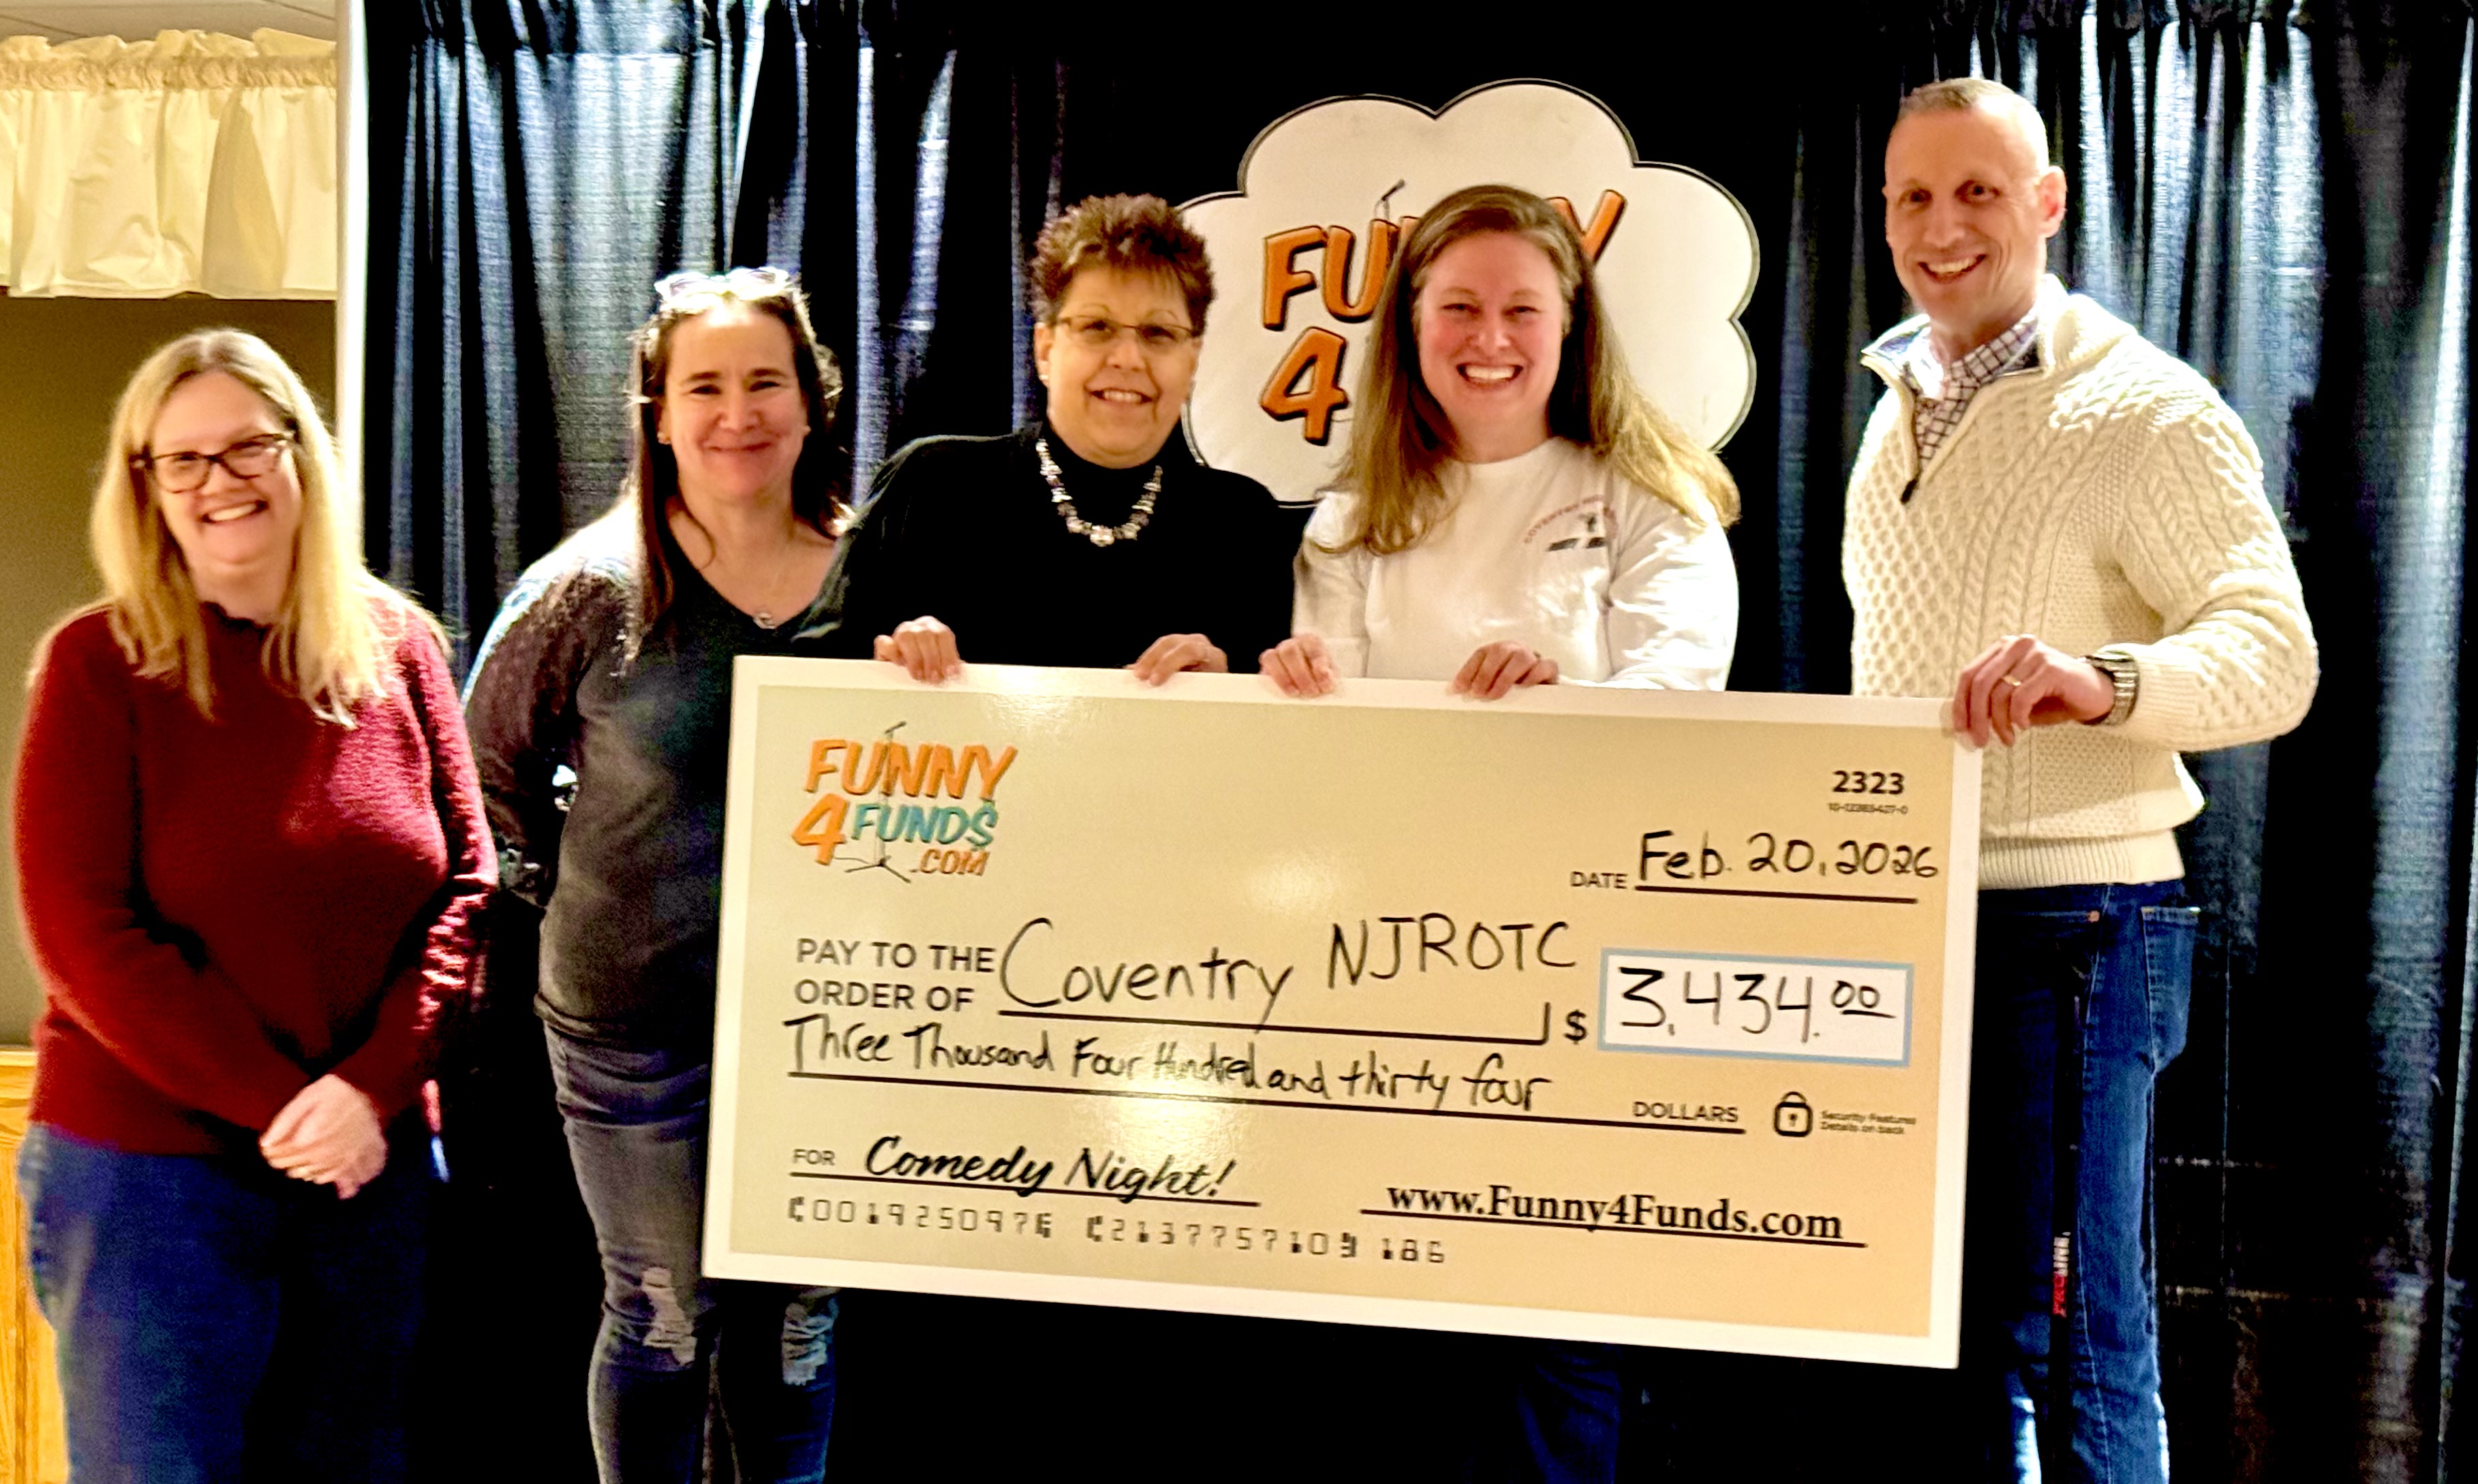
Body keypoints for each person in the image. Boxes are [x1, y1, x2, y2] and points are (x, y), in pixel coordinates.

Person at [1845, 78, 2316, 1481]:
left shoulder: (2147, 412)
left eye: (1977, 191)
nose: (1941, 227)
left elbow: (2275, 656)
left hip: (2076, 927)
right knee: (1952, 1333)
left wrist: (2104, 680)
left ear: (2047, 203)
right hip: (1911, 919)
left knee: (2074, 1333)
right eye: (1913, 197)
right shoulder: (1894, 410)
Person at [1266, 183, 1743, 1481]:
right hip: (1387, 978)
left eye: (1523, 308)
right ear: (1408, 326)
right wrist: (1292, 696)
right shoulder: (1350, 519)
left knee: (1558, 1327)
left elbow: (1680, 696)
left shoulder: (1649, 496)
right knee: (1394, 1319)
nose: (1491, 337)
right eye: (1459, 306)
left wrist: (1559, 703)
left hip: (1583, 976)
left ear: (1572, 325)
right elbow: (1332, 765)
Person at [12, 328, 493, 1480]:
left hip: (369, 1172)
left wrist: (367, 1092)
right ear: (146, 487)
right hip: (149, 1180)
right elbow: (84, 933)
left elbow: (469, 889)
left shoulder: (399, 648)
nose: (218, 481)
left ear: (301, 452)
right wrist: (289, 1109)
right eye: (181, 460)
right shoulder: (97, 665)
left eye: (246, 447)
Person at [463, 267, 845, 1482]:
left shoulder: (874, 572)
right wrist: (575, 900)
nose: (738, 413)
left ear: (812, 400)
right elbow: (479, 771)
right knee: (665, 1316)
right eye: (705, 387)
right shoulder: (592, 587)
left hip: (828, 1027)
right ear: (660, 413)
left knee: (797, 1330)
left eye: (765, 382)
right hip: (635, 1031)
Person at [814, 192, 1300, 680]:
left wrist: (1229, 687)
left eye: (1158, 333)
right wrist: (884, 663)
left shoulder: (1244, 527)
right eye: (1097, 327)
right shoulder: (930, 487)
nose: (1128, 359)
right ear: (1045, 350)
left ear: (1191, 361)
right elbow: (808, 684)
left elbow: (1273, 721)